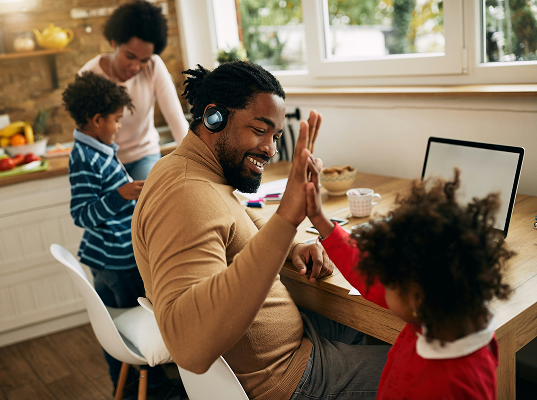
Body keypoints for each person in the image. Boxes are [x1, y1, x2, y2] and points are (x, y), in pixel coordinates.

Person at [131, 61, 389, 400]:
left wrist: (294, 245)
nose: (270, 148)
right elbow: (189, 345)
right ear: (214, 117)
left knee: (379, 333)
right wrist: (286, 218)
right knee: (430, 371)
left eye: (276, 135)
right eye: (260, 130)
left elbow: (240, 220)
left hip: (288, 346)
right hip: (288, 379)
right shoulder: (186, 196)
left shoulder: (193, 171)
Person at [306, 168, 515, 399]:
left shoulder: (461, 383)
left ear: (415, 295)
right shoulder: (438, 307)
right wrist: (320, 220)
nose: (380, 279)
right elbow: (366, 272)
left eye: (387, 278)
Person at [62, 71, 146, 398]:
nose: (119, 126)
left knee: (119, 326)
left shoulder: (99, 149)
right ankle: (146, 388)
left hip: (115, 257)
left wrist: (131, 194)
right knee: (129, 331)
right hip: (115, 262)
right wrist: (121, 195)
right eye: (116, 120)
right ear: (96, 120)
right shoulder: (85, 158)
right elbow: (81, 213)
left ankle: (126, 386)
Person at [79, 0, 188, 181]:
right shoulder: (88, 76)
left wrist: (196, 164)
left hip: (145, 157)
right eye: (130, 56)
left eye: (144, 59)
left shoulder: (154, 66)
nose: (136, 67)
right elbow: (87, 138)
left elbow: (177, 121)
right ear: (115, 43)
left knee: (151, 201)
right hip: (105, 161)